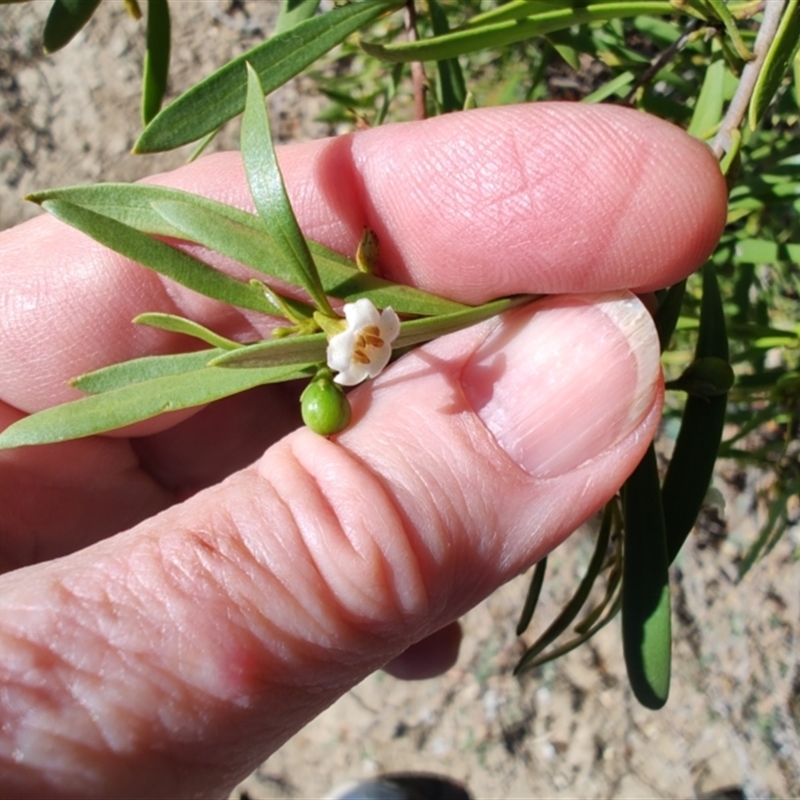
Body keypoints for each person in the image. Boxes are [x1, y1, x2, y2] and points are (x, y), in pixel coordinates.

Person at [0, 103, 726, 798]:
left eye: (365, 338)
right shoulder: (340, 357)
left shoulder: (351, 344)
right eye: (362, 341)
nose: (371, 341)